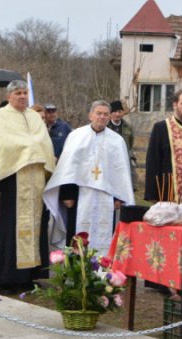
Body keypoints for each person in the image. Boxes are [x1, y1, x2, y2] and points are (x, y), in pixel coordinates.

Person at [0, 81, 56, 290]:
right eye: (18, 93)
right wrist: (27, 149)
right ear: (9, 96)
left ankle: (30, 275)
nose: (23, 96)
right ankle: (5, 278)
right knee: (8, 230)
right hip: (8, 182)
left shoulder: (34, 117)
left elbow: (44, 144)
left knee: (35, 227)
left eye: (25, 92)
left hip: (34, 181)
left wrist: (36, 152)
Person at [43, 100, 135, 248]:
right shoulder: (76, 136)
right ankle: (76, 262)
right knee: (76, 238)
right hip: (79, 195)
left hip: (107, 197)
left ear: (109, 116)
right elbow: (67, 169)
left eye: (105, 114)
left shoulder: (117, 141)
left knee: (105, 237)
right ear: (90, 115)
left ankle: (103, 262)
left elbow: (120, 173)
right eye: (99, 113)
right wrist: (67, 194)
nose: (102, 117)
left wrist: (118, 198)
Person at [107, 100, 137, 182]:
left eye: (119, 111)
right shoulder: (106, 127)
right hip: (109, 159)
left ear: (123, 113)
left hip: (124, 158)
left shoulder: (128, 127)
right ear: (110, 114)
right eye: (114, 112)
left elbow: (130, 143)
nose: (117, 114)